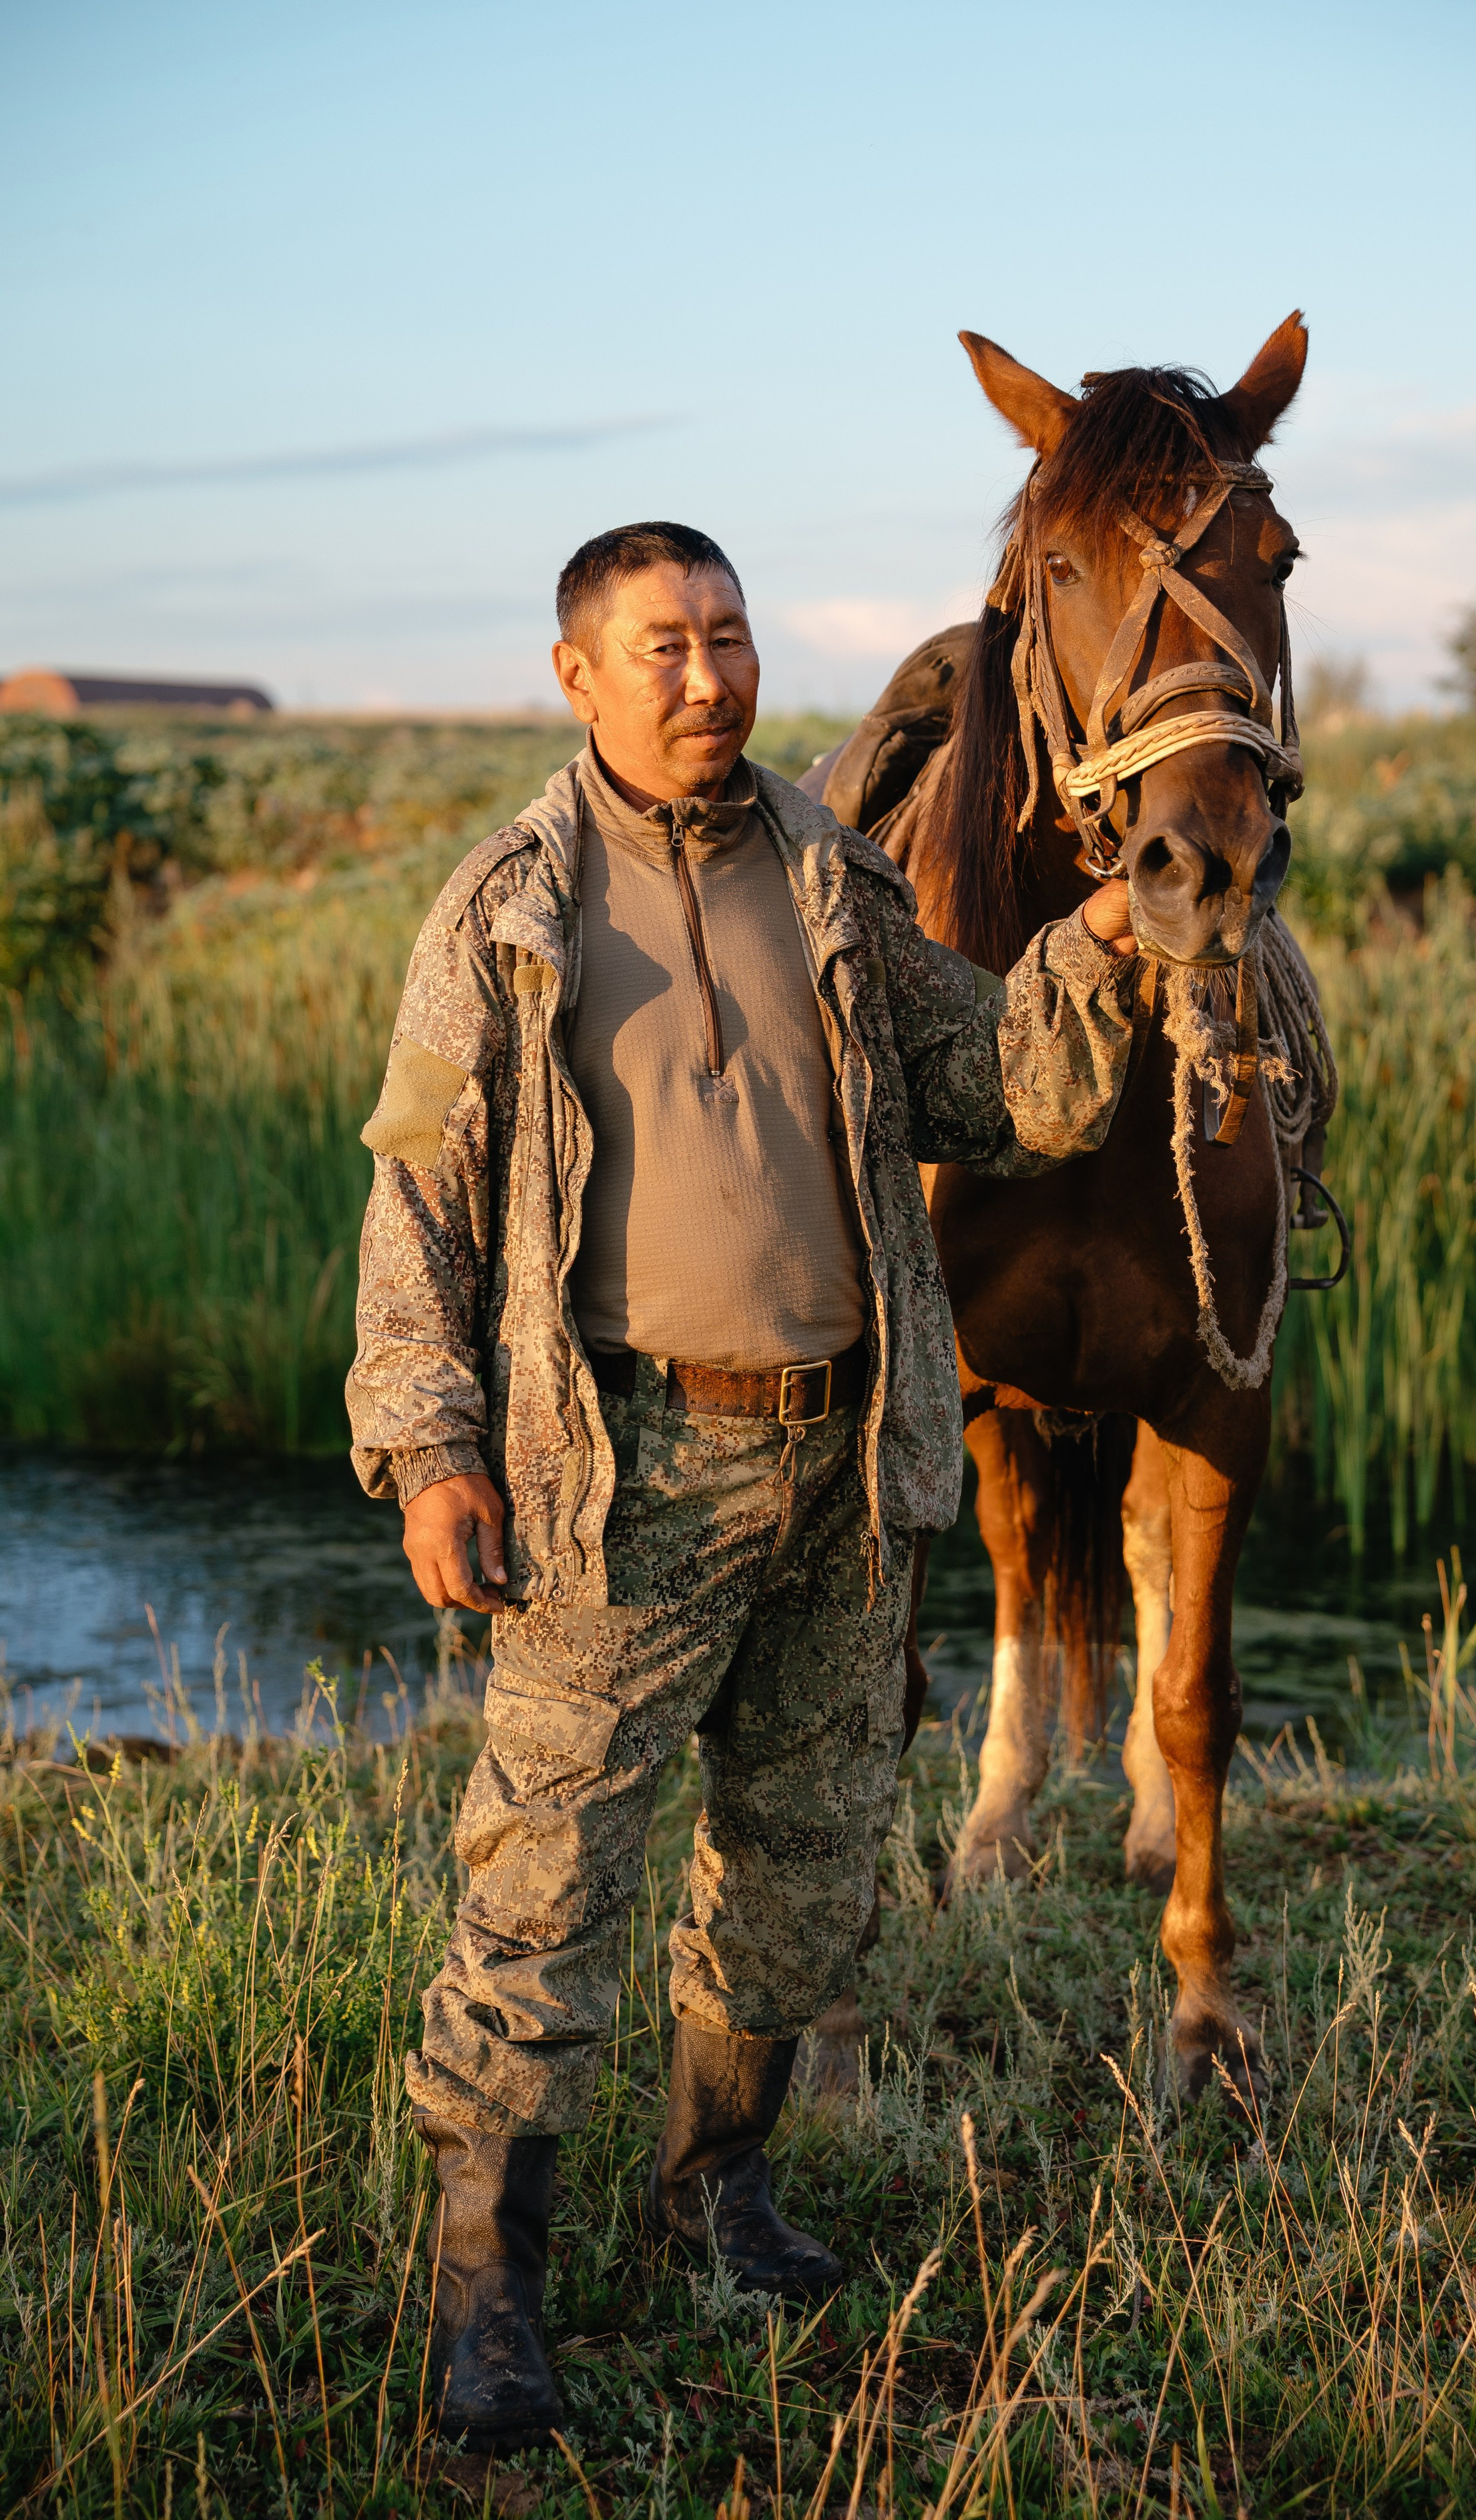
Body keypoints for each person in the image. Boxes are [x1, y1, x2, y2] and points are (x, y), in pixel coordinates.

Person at [346, 521, 1139, 2451]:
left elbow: (1007, 1094)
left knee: (799, 1877)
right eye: (663, 647)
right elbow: (420, 1196)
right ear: (581, 677)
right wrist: (437, 1449)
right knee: (544, 1889)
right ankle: (487, 2300)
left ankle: (722, 2195)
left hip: (854, 1456)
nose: (708, 677)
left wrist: (1116, 944)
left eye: (729, 635)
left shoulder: (834, 870)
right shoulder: (505, 907)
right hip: (619, 1467)